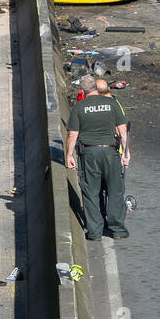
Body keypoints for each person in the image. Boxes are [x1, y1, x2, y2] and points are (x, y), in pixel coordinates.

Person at [65, 74, 130, 240]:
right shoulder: (112, 103)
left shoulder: (79, 108)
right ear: (96, 87)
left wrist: (69, 155)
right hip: (111, 152)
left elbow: (73, 134)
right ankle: (118, 230)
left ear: (82, 90)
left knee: (91, 192)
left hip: (89, 154)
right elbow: (123, 132)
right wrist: (126, 153)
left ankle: (95, 232)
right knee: (115, 190)